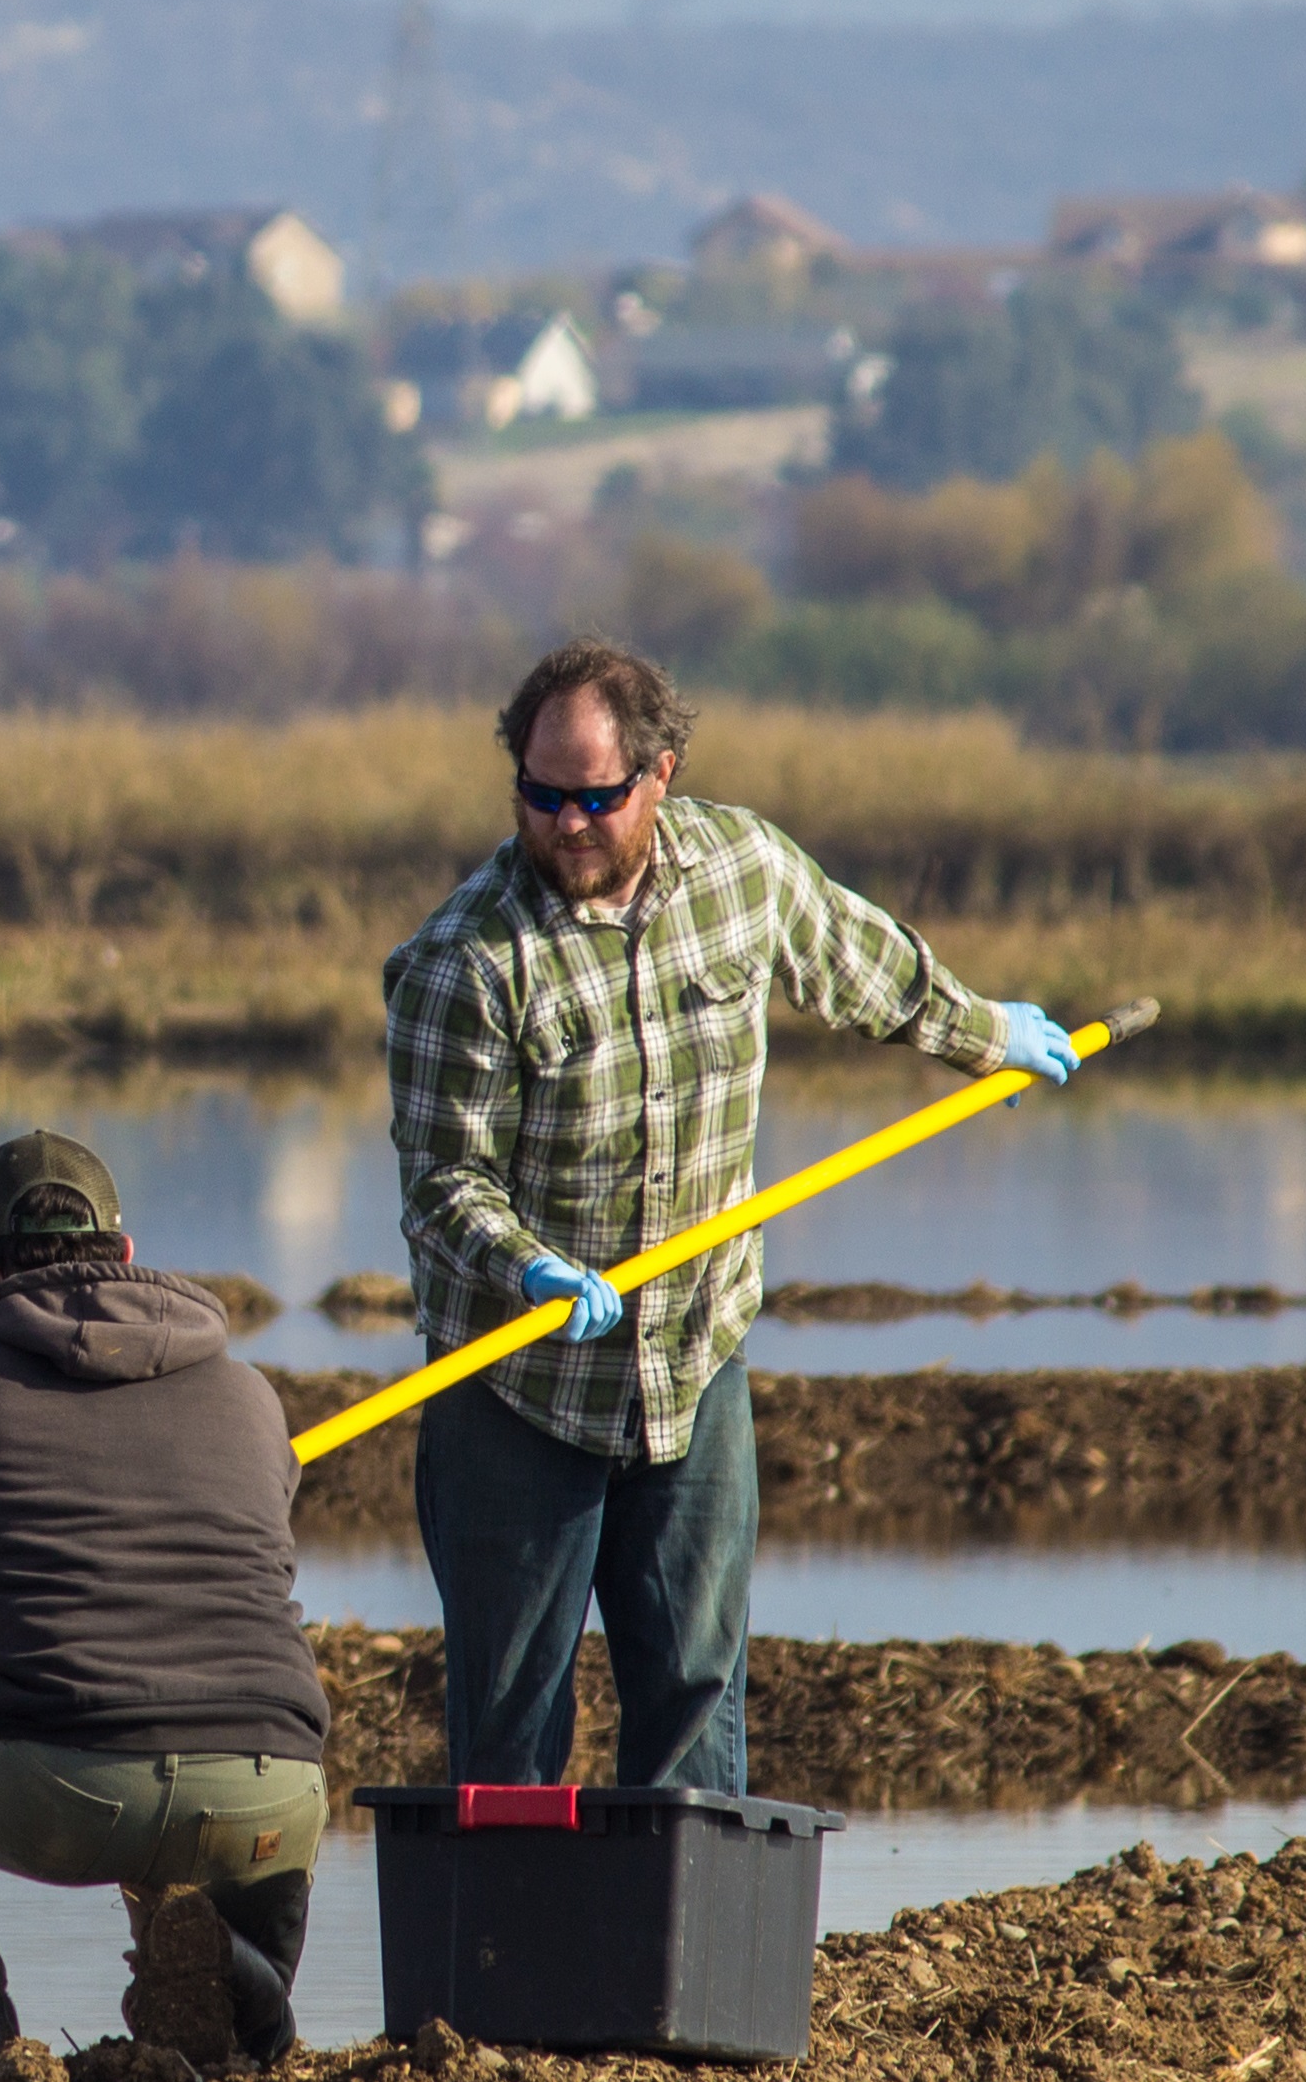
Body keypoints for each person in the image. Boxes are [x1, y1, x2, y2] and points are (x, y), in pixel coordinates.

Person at [386, 638, 1081, 1793]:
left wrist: (983, 1032)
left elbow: (861, 966)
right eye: (540, 793)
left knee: (694, 1701)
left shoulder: (740, 870)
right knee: (509, 1732)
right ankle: (505, 1968)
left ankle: (674, 1966)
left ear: (659, 774)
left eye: (596, 796)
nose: (565, 822)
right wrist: (528, 1270)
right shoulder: (463, 962)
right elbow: (443, 1185)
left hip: (691, 1358)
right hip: (518, 1387)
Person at [0, 1129, 332, 2082]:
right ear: (127, 1253)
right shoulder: (250, 1394)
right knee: (230, 1819)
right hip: (275, 1790)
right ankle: (244, 2002)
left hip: (64, 1791)